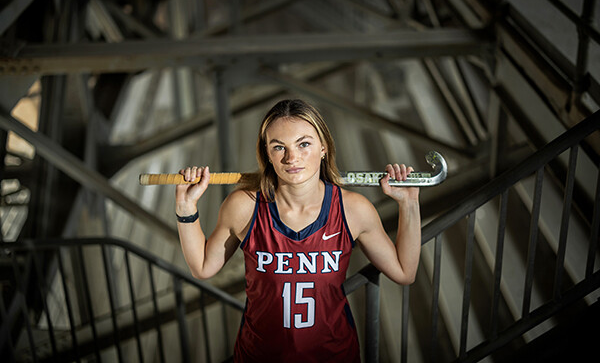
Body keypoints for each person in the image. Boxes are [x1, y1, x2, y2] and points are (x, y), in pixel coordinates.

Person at [175, 99, 421, 362]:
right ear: (267, 154)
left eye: (304, 144)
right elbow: (202, 267)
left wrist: (409, 203)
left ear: (323, 147)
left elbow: (405, 272)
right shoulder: (244, 207)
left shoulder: (353, 209)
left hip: (333, 356)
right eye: (279, 147)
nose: (292, 158)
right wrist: (185, 205)